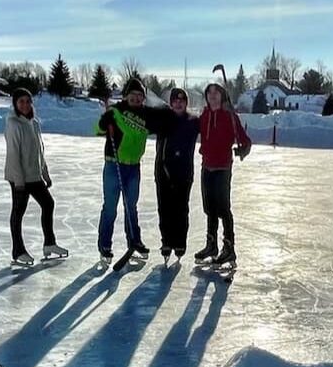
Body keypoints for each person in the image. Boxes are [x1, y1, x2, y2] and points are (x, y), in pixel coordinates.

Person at [96, 77, 175, 263]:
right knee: (110, 207)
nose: (136, 99)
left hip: (133, 167)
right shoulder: (116, 111)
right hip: (114, 165)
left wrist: (170, 109)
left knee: (131, 207)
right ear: (126, 96)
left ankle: (134, 241)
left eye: (140, 96)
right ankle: (104, 244)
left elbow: (165, 116)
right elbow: (98, 129)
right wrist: (104, 122)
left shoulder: (146, 114)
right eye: (133, 95)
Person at [194, 77, 252, 267]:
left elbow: (245, 141)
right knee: (209, 208)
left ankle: (229, 248)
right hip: (206, 166)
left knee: (223, 208)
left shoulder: (230, 116)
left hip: (222, 168)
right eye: (209, 93)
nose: (212, 96)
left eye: (216, 92)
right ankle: (211, 245)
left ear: (222, 95)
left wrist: (242, 149)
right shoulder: (204, 116)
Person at [4, 89, 66, 266]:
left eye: (28, 101)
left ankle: (49, 244)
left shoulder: (33, 123)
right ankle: (18, 251)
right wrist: (19, 182)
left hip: (34, 175)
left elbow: (40, 152)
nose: (25, 105)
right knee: (18, 211)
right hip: (19, 177)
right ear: (15, 104)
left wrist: (45, 173)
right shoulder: (13, 124)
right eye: (21, 101)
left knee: (48, 204)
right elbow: (13, 154)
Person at [153, 86, 200, 261]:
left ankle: (180, 242)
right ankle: (166, 242)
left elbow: (212, 128)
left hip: (184, 173)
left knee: (181, 209)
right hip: (163, 172)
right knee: (165, 210)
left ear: (186, 103)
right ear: (171, 103)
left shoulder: (193, 121)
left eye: (182, 100)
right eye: (175, 100)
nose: (178, 103)